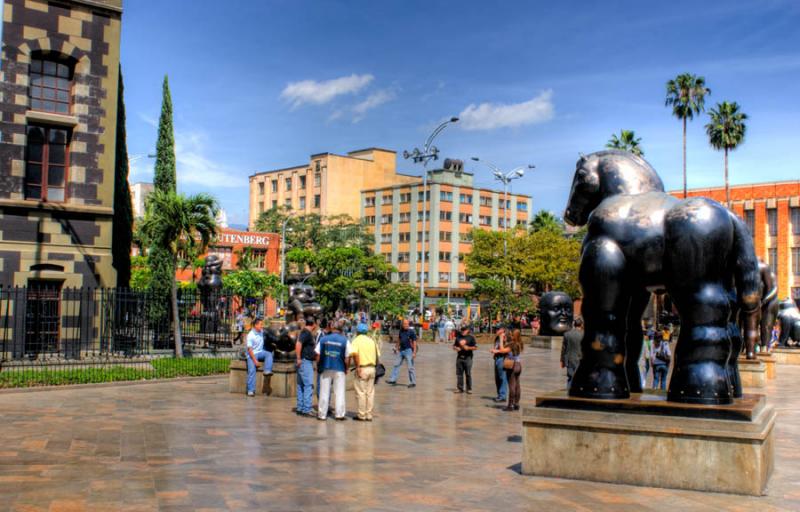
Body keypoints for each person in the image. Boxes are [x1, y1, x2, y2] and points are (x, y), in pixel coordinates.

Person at [316, 320, 350, 421]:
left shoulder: (323, 339)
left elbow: (317, 354)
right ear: (340, 330)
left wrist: (318, 365)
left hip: (325, 367)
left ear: (332, 328)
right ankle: (339, 414)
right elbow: (347, 357)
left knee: (324, 392)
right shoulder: (345, 340)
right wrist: (346, 368)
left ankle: (322, 415)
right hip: (339, 368)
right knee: (339, 392)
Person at [350, 322, 380, 421]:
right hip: (372, 368)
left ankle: (361, 415)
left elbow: (355, 354)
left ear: (357, 331)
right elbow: (377, 355)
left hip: (362, 368)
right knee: (370, 393)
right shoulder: (372, 341)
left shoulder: (356, 340)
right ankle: (369, 414)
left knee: (361, 392)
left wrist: (357, 367)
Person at [295, 318, 318, 416]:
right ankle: (307, 409)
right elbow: (298, 344)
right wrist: (299, 358)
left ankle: (300, 407)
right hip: (305, 361)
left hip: (303, 361)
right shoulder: (306, 333)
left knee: (301, 385)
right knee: (308, 385)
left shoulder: (305, 332)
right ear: (313, 324)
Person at [245, 318, 273, 397]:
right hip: (252, 354)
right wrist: (255, 361)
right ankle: (251, 390)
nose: (262, 326)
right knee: (251, 371)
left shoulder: (261, 331)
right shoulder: (250, 335)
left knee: (268, 354)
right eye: (261, 324)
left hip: (260, 352)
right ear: (256, 325)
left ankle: (267, 370)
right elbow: (249, 350)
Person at [498, 328, 524, 411]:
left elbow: (502, 350)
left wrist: (501, 339)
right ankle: (516, 404)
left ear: (513, 335)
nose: (509, 335)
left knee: (512, 386)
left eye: (510, 334)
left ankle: (510, 405)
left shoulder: (513, 344)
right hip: (518, 365)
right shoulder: (519, 343)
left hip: (512, 366)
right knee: (517, 385)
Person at [387, 319, 417, 388]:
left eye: (407, 324)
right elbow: (399, 340)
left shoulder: (411, 332)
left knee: (410, 367)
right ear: (402, 325)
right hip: (401, 351)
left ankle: (413, 382)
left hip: (409, 351)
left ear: (408, 324)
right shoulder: (401, 331)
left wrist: (414, 352)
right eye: (404, 324)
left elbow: (414, 342)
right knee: (396, 365)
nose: (406, 325)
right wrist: (396, 348)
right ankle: (393, 379)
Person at [452, 325, 477, 393]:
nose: (463, 331)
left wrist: (468, 348)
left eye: (464, 330)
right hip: (459, 357)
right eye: (462, 330)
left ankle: (469, 388)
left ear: (467, 330)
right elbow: (454, 345)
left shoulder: (471, 337)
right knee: (459, 374)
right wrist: (456, 348)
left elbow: (475, 347)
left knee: (468, 373)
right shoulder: (458, 337)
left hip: (468, 357)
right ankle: (460, 388)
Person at [560, 317, 583, 389]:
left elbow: (564, 349)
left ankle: (569, 392)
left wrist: (562, 360)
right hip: (581, 359)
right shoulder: (584, 334)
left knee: (570, 377)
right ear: (581, 324)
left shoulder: (567, 334)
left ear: (574, 324)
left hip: (570, 359)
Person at [489, 326, 508, 403]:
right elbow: (497, 347)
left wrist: (497, 351)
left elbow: (506, 349)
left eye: (498, 329)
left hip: (502, 358)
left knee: (502, 377)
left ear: (503, 329)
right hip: (497, 359)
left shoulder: (505, 338)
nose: (495, 330)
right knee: (497, 378)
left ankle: (503, 396)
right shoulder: (497, 338)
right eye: (495, 329)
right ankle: (499, 395)